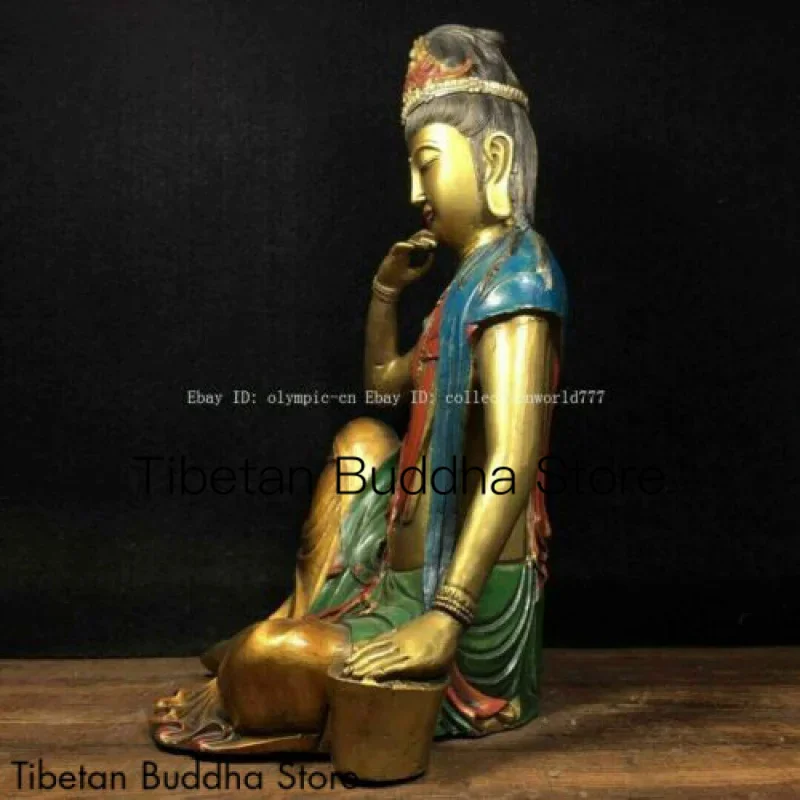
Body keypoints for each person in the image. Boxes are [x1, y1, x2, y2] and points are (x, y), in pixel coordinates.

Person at [151, 23, 567, 755]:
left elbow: (514, 456)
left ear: (496, 158)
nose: (415, 192)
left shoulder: (520, 282)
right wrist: (385, 293)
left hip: (458, 610)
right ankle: (299, 620)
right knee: (362, 441)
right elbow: (381, 385)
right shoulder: (466, 287)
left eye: (427, 165)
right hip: (395, 582)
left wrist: (444, 618)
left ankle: (274, 657)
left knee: (266, 661)